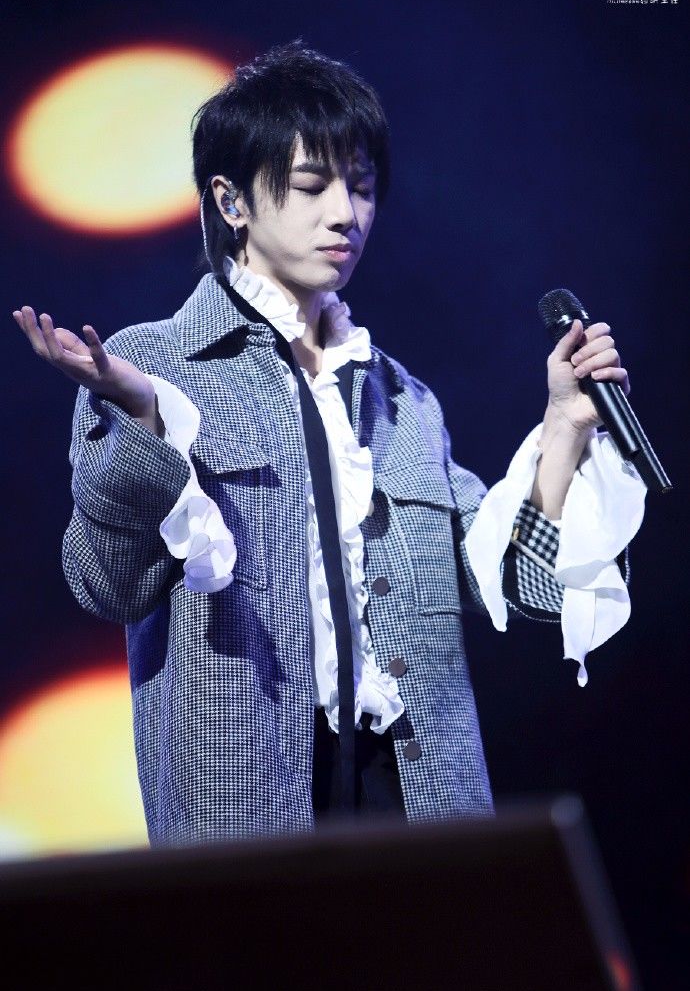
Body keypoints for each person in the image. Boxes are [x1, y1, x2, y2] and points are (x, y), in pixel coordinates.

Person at [12, 41, 644, 844]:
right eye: (313, 186)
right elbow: (107, 584)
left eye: (363, 186)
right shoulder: (153, 364)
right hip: (249, 797)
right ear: (231, 201)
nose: (346, 213)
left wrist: (564, 426)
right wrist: (144, 422)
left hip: (415, 794)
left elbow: (523, 583)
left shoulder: (401, 397)